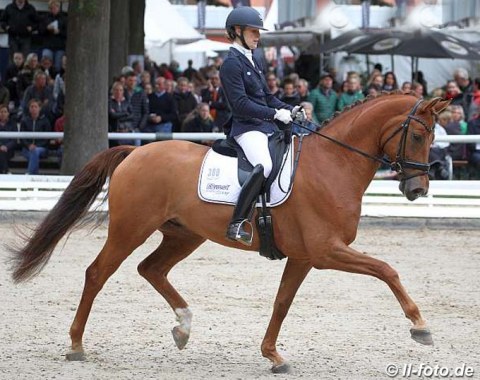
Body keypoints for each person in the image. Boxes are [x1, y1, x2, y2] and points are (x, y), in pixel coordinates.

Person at [220, 6, 301, 245]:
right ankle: (237, 222)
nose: (258, 36)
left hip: (264, 127)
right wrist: (275, 114)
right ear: (237, 31)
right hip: (246, 128)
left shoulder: (253, 60)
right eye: (253, 31)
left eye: (258, 31)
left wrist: (289, 109)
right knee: (264, 165)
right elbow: (241, 105)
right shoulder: (231, 65)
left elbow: (267, 96)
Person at [20, 99, 51, 175]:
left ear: (39, 108)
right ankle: (34, 175)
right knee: (34, 153)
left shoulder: (45, 121)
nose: (33, 108)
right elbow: (22, 137)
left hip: (42, 148)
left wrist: (36, 146)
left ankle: (29, 174)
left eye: (35, 107)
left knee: (35, 151)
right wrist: (29, 145)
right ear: (29, 109)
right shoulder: (24, 121)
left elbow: (47, 139)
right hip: (27, 149)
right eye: (31, 107)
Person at [38, 0, 67, 72]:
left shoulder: (64, 18)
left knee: (58, 66)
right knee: (46, 64)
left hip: (60, 46)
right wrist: (47, 28)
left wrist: (59, 32)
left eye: (55, 7)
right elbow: (40, 30)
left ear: (58, 8)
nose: (54, 9)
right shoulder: (45, 18)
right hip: (48, 45)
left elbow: (67, 33)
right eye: (52, 8)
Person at [0, 104, 17, 173]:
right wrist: (0, 146)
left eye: (5, 112)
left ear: (8, 113)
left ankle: (3, 172)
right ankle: (5, 171)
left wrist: (6, 146)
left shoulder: (13, 124)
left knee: (2, 152)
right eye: (1, 112)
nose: (3, 114)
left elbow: (14, 140)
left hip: (9, 149)